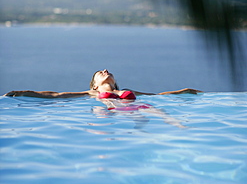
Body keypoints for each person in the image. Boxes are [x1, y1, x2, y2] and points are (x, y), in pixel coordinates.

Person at [4, 69, 202, 99]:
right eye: (100, 72)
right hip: (109, 116)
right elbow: (57, 95)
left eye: (109, 72)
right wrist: (26, 93)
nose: (106, 71)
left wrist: (184, 91)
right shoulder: (91, 94)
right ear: (95, 85)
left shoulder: (127, 91)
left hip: (134, 111)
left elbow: (158, 96)